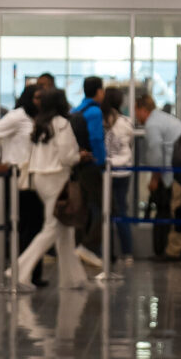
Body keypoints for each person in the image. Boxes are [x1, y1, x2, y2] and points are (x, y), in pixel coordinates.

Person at [15, 88, 87, 292]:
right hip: (57, 178)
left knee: (65, 229)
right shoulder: (62, 124)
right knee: (52, 227)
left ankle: (74, 278)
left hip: (40, 178)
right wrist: (79, 157)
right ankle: (18, 271)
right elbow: (67, 156)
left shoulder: (40, 123)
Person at [0, 84, 46, 286]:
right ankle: (23, 273)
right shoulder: (18, 116)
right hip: (18, 176)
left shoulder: (39, 117)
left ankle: (32, 273)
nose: (39, 101)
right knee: (26, 226)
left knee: (36, 226)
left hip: (35, 176)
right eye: (36, 97)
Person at [135, 93, 181, 260]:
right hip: (178, 170)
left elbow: (157, 154)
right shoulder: (163, 118)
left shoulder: (152, 124)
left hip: (170, 174)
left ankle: (165, 251)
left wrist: (154, 178)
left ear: (143, 110)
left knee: (164, 211)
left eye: (136, 111)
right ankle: (173, 250)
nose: (135, 116)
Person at [71, 76, 106, 267]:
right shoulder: (94, 111)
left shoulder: (77, 109)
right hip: (90, 165)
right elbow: (96, 139)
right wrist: (101, 161)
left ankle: (78, 246)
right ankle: (88, 246)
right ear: (99, 91)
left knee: (82, 208)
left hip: (77, 166)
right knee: (106, 207)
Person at [102, 86, 134, 264]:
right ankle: (127, 252)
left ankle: (105, 252)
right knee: (122, 210)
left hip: (106, 170)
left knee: (103, 212)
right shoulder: (126, 121)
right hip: (124, 170)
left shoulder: (101, 120)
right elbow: (130, 145)